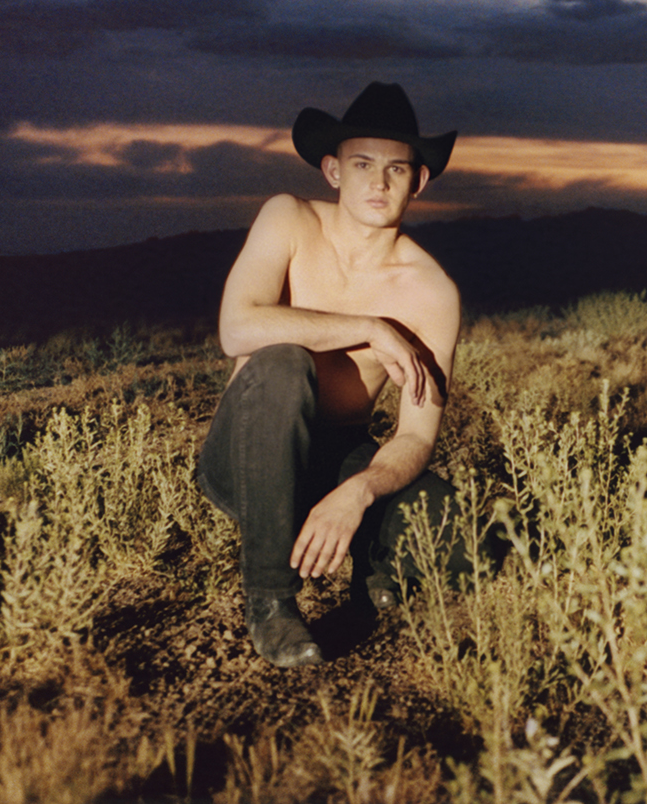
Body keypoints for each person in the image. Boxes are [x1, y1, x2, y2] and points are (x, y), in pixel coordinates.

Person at [196, 81, 466, 668]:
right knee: (283, 363)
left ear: (418, 182)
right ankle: (271, 603)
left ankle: (377, 571)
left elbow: (417, 436)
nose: (379, 182)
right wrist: (369, 326)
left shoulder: (431, 293)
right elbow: (236, 330)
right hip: (247, 455)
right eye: (362, 164)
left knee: (454, 529)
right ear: (332, 170)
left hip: (339, 455)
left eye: (398, 169)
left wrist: (358, 490)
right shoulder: (287, 220)